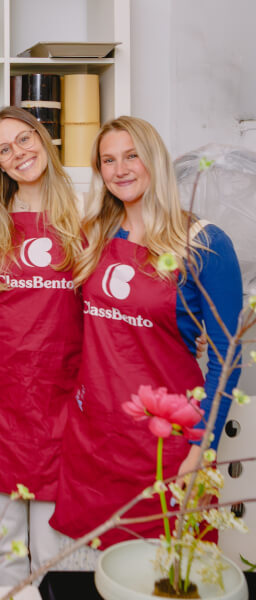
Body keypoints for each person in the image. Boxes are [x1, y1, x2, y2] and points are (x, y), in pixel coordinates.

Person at [50, 116, 243, 555]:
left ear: (154, 159)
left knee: (164, 574)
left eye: (131, 156)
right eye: (108, 160)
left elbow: (225, 359)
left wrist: (202, 448)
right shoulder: (95, 235)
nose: (120, 169)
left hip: (168, 446)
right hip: (94, 440)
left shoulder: (205, 245)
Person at [0, 106, 84, 583]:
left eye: (24, 139)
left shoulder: (86, 211)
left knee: (55, 556)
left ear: (43, 137)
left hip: (63, 400)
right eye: (4, 149)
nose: (18, 153)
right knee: (4, 556)